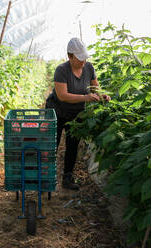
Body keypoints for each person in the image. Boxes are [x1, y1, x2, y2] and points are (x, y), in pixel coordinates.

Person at [45, 37, 110, 190]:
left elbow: (95, 88)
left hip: (77, 113)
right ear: (70, 56)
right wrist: (85, 98)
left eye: (85, 58)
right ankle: (47, 177)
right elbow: (63, 96)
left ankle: (67, 178)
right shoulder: (62, 70)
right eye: (80, 58)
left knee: (73, 145)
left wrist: (102, 96)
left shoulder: (89, 68)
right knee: (52, 144)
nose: (83, 61)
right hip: (57, 111)